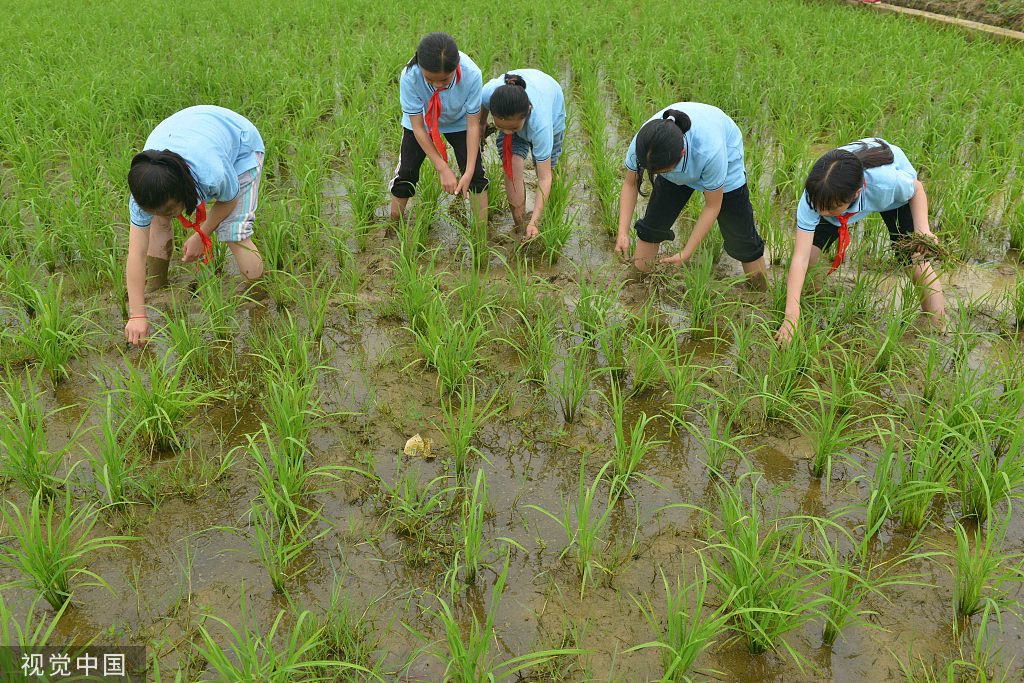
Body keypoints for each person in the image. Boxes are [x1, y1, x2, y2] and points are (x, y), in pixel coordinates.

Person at [775, 138, 946, 345]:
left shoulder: (886, 183)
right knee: (810, 258)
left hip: (890, 198)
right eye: (819, 207)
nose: (821, 213)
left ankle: (937, 328)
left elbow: (916, 189)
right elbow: (799, 259)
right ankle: (816, 302)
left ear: (855, 195)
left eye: (829, 208)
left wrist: (923, 231)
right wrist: (790, 317)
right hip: (834, 194)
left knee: (916, 261)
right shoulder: (816, 196)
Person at [125, 105, 265, 348]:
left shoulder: (212, 173)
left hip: (242, 146)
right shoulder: (143, 195)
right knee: (158, 222)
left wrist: (202, 234)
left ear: (185, 191)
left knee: (234, 231)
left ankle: (259, 296)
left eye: (171, 208)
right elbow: (135, 253)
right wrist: (137, 314)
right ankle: (157, 285)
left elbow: (229, 200)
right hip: (186, 133)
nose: (167, 214)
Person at [614, 103, 768, 289]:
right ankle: (636, 285)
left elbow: (712, 206)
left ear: (682, 153)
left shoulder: (710, 151)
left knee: (743, 241)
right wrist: (622, 232)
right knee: (651, 228)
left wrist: (686, 252)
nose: (655, 174)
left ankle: (760, 293)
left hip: (724, 160)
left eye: (662, 171)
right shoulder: (646, 144)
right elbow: (630, 184)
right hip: (668, 156)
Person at [389, 32, 488, 227]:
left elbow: (472, 124)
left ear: (456, 67)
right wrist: (442, 167)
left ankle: (480, 236)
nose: (437, 85)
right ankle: (393, 227)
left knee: (476, 175)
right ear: (420, 67)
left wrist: (467, 172)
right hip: (422, 122)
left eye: (444, 80)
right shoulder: (410, 76)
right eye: (430, 79)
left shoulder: (471, 74)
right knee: (406, 173)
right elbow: (417, 127)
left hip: (459, 121)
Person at [479, 69, 565, 240]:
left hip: (551, 103)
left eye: (512, 128)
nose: (506, 133)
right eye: (500, 127)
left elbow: (544, 177)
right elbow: (483, 104)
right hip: (515, 104)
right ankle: (520, 226)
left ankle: (542, 217)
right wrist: (482, 124)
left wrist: (535, 221)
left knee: (548, 169)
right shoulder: (490, 93)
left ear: (528, 111)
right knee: (511, 165)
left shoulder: (541, 125)